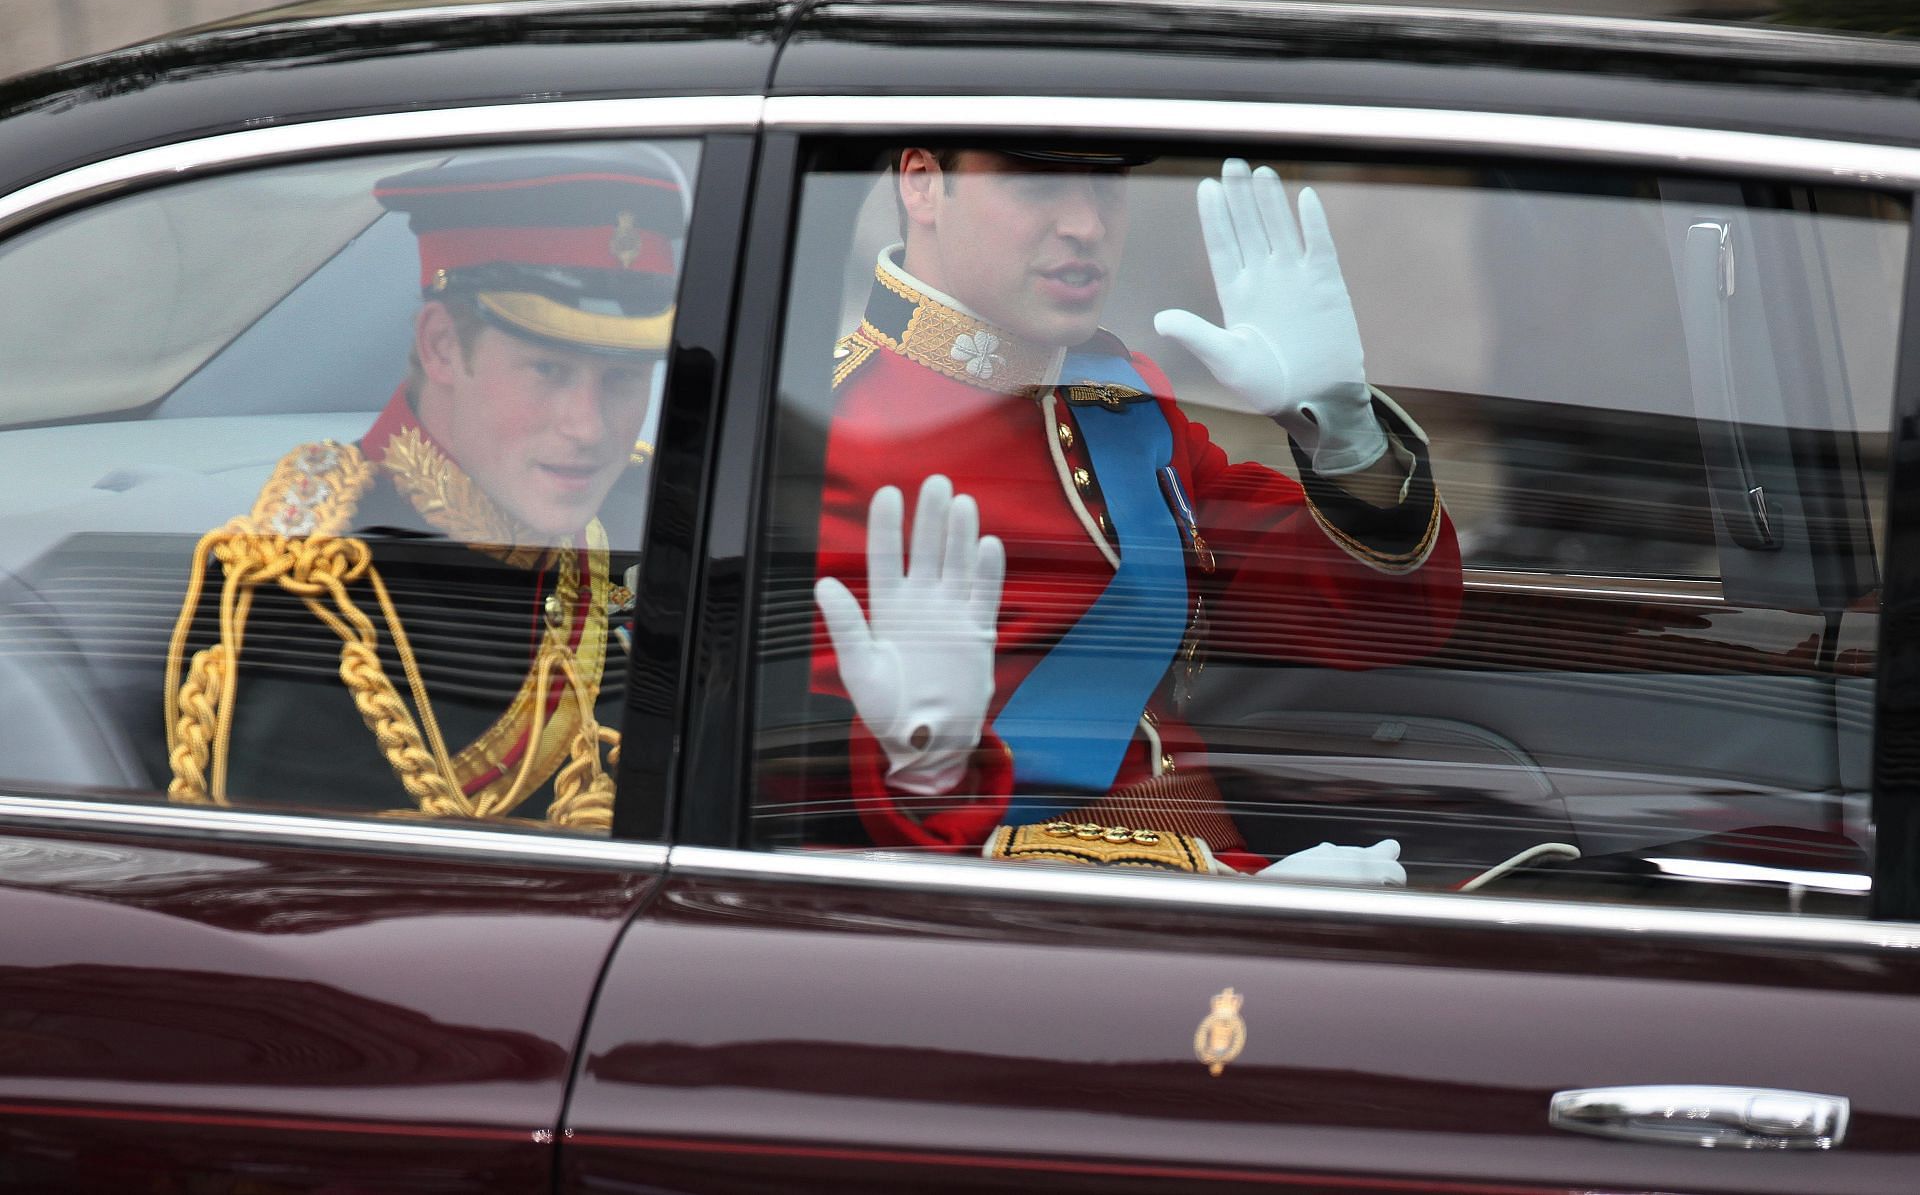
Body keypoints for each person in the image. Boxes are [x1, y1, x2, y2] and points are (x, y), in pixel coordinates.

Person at [809, 148, 1463, 878]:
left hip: (1209, 873)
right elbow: (814, 813)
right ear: (924, 185)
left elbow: (1377, 618)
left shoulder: (1116, 392)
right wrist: (1234, 892)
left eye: (1108, 187)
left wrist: (1341, 432)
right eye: (1039, 184)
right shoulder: (828, 434)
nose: (1087, 224)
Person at [158, 150, 684, 830]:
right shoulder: (317, 596)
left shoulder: (651, 510)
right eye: (549, 369)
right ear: (440, 347)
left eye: (621, 379)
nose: (588, 427)